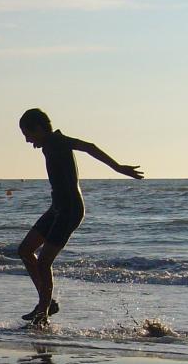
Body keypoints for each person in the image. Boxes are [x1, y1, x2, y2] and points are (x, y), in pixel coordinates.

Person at [17, 108, 143, 325]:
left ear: (39, 128)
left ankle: (43, 312)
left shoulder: (58, 141)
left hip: (70, 210)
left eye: (28, 134)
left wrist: (118, 168)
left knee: (44, 262)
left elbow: (89, 147)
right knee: (25, 250)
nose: (28, 140)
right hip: (57, 207)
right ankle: (46, 303)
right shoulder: (48, 145)